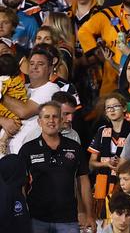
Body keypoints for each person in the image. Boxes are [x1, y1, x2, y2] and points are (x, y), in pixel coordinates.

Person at [19, 100, 93, 233]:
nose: (51, 120)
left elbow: (84, 182)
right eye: (46, 117)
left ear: (61, 120)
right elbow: (21, 186)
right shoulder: (27, 149)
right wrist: (23, 215)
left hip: (68, 220)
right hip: (36, 219)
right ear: (39, 121)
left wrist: (88, 214)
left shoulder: (74, 147)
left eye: (55, 116)